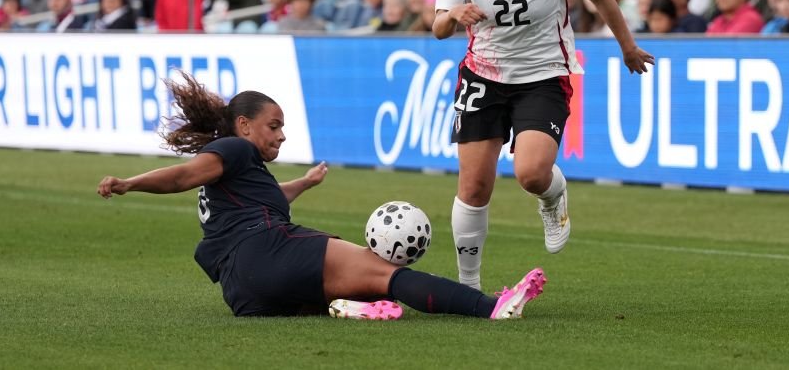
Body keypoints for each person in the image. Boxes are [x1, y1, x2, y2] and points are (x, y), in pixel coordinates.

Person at [96, 71, 547, 319]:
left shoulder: (240, 173)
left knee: (350, 282)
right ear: (243, 125)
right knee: (382, 271)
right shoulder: (231, 148)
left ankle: (346, 307)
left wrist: (304, 184)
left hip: (246, 292)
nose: (281, 135)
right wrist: (130, 183)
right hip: (267, 253)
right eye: (273, 126)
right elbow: (182, 177)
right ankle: (491, 307)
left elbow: (262, 201)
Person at [432, 0, 654, 290]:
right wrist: (453, 15)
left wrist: (627, 47)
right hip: (484, 75)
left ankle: (553, 198)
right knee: (474, 185)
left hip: (543, 75)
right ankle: (469, 286)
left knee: (532, 173)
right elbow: (438, 27)